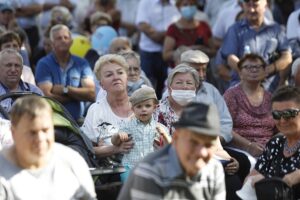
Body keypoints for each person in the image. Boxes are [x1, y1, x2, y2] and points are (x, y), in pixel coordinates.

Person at [118, 102, 226, 200]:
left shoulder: (214, 169)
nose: (202, 152)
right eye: (193, 142)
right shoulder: (149, 171)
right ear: (176, 138)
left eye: (208, 145)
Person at [0, 95, 96, 199]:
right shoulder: (2, 172)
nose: (40, 138)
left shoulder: (72, 161)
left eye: (45, 130)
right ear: (14, 133)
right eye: (32, 132)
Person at [219, 0, 292, 92]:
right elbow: (230, 58)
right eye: (248, 5)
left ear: (266, 4)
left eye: (255, 5)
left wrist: (268, 70)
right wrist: (248, 72)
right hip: (241, 87)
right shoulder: (234, 30)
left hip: (270, 88)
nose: (251, 9)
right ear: (243, 6)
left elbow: (287, 56)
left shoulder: (276, 29)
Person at [243, 86, 300, 199]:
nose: (283, 120)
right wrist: (253, 181)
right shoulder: (275, 143)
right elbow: (252, 177)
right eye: (277, 115)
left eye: (289, 113)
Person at [35, 24, 96, 122]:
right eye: (59, 38)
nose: (63, 40)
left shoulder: (82, 63)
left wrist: (66, 90)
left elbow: (91, 94)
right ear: (52, 43)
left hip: (78, 121)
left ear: (71, 41)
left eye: (66, 37)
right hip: (52, 120)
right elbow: (46, 97)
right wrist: (76, 97)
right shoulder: (44, 64)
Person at [81, 54, 134, 161]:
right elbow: (87, 149)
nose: (116, 77)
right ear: (102, 85)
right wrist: (115, 149)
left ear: (126, 78)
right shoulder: (96, 110)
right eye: (109, 75)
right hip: (111, 173)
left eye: (120, 72)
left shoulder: (142, 104)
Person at [111, 86, 171, 180]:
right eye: (139, 106)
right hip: (130, 166)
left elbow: (170, 147)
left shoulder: (160, 128)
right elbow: (114, 142)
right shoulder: (128, 126)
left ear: (154, 108)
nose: (143, 109)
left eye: (147, 106)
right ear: (133, 109)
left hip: (152, 167)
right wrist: (117, 136)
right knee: (130, 187)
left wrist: (165, 135)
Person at [224, 53, 277, 157]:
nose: (253, 70)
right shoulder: (231, 95)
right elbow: (224, 127)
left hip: (269, 150)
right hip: (239, 150)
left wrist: (272, 145)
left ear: (264, 71)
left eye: (258, 67)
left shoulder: (272, 97)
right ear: (240, 73)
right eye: (248, 67)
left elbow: (280, 128)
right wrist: (249, 146)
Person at [136, 0, 180, 99]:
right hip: (149, 53)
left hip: (169, 54)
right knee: (146, 90)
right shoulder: (145, 2)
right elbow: (143, 25)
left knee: (168, 89)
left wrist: (165, 37)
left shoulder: (177, 3)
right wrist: (169, 37)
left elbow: (181, 26)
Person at [163, 0, 214, 65]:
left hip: (202, 70)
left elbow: (213, 50)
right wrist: (187, 50)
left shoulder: (204, 26)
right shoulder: (173, 28)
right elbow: (166, 55)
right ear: (178, 7)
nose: (189, 7)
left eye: (192, 4)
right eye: (185, 5)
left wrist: (204, 50)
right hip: (181, 71)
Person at [0, 49, 42, 116]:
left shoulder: (35, 92)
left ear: (22, 69)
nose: (13, 70)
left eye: (17, 65)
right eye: (8, 65)